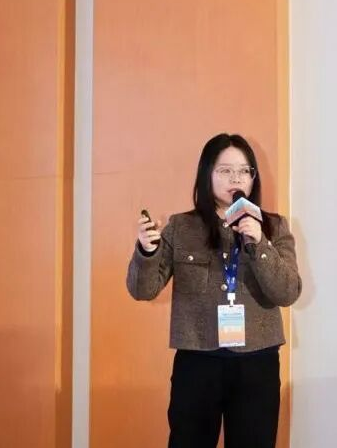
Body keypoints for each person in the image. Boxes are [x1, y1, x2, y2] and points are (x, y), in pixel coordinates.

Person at [126, 133, 302, 448]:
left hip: (256, 363)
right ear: (206, 174)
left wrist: (260, 244)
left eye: (244, 170)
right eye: (225, 170)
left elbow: (287, 292)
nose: (236, 178)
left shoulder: (274, 227)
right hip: (197, 361)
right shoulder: (181, 227)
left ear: (253, 178)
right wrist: (147, 252)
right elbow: (143, 290)